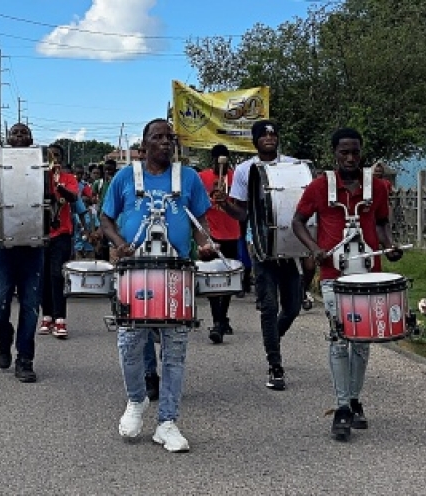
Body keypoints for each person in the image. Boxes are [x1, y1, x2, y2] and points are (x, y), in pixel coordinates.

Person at [101, 118, 217, 453]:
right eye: (158, 138)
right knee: (129, 343)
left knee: (175, 351)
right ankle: (137, 401)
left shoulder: (188, 177)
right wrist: (119, 242)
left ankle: (167, 422)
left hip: (176, 272)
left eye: (170, 138)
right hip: (136, 271)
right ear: (144, 144)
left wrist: (206, 242)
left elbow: (200, 221)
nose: (166, 142)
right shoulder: (126, 176)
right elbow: (106, 218)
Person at [292, 128, 402, 441]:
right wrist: (314, 249)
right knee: (340, 339)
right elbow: (297, 221)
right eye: (344, 152)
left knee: (362, 341)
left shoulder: (377, 187)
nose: (350, 158)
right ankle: (342, 407)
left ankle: (354, 399)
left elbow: (381, 222)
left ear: (361, 152)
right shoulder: (320, 186)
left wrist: (390, 244)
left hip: (368, 275)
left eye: (355, 152)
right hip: (333, 276)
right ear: (334, 154)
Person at [219, 120, 300, 390]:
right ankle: (275, 365)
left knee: (293, 306)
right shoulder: (245, 170)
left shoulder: (292, 166)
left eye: (273, 133)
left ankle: (272, 339)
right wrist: (225, 206)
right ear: (254, 140)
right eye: (263, 134)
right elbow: (242, 213)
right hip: (261, 245)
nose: (269, 137)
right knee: (268, 306)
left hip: (289, 244)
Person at [0, 122, 44, 382]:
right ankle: (4, 338)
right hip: (3, 245)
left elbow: (48, 202)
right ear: (8, 139)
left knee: (30, 305)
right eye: (15, 132)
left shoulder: (43, 167)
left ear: (31, 138)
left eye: (24, 132)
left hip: (34, 247)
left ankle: (25, 359)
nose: (20, 136)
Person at [198, 144, 242, 344]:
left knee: (228, 280)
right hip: (211, 234)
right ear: (212, 159)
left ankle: (222, 317)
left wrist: (226, 200)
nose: (220, 162)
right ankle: (218, 321)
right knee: (212, 280)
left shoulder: (236, 178)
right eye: (217, 158)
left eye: (224, 158)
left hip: (231, 233)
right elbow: (197, 204)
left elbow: (242, 206)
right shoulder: (203, 178)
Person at [39, 144, 80, 339]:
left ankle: (60, 318)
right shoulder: (38, 177)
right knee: (43, 276)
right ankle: (46, 316)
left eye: (56, 156)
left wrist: (59, 186)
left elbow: (72, 197)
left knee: (57, 275)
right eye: (49, 156)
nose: (53, 159)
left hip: (62, 233)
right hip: (40, 232)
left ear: (61, 160)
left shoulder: (68, 178)